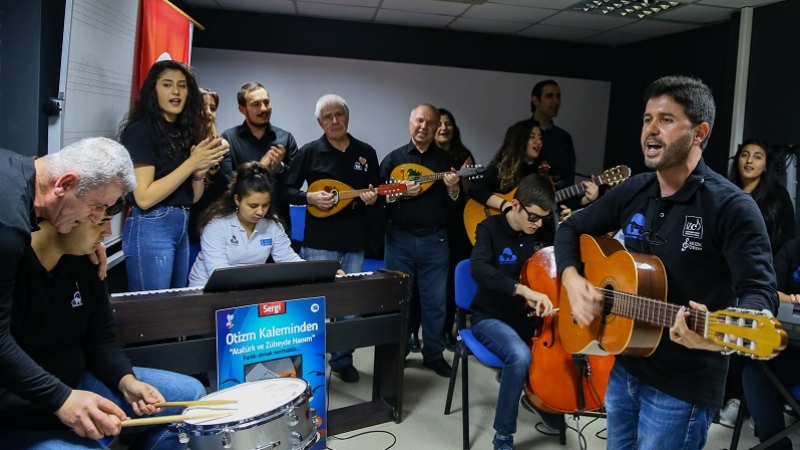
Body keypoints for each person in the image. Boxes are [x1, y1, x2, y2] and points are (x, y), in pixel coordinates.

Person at [554, 75, 778, 450]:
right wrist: (573, 279)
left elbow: (759, 294)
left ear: (699, 132)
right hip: (625, 364)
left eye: (666, 120)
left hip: (683, 387)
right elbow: (571, 227)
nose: (651, 131)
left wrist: (714, 338)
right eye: (646, 119)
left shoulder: (732, 207)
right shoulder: (636, 188)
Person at [0, 200, 206, 449]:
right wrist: (64, 403)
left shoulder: (85, 261)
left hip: (78, 383)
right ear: (67, 219)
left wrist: (126, 380)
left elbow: (100, 340)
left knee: (192, 397)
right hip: (22, 411)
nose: (108, 232)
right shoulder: (10, 269)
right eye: (101, 221)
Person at [0, 137, 137, 446]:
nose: (98, 220)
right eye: (97, 209)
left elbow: (100, 339)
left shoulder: (15, 171)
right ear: (65, 183)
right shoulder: (8, 229)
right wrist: (62, 400)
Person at [283, 94, 381, 383]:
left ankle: (342, 359)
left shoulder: (366, 152)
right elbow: (285, 189)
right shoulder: (310, 152)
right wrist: (308, 196)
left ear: (347, 118)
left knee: (349, 306)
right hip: (319, 242)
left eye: (339, 114)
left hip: (354, 241)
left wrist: (373, 198)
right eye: (328, 116)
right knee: (316, 304)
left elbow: (375, 192)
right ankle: (311, 362)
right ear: (319, 122)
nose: (334, 120)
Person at [120, 60, 230, 291]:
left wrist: (199, 173)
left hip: (182, 221)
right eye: (167, 85)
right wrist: (191, 164)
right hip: (151, 224)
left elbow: (192, 197)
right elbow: (144, 197)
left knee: (173, 305)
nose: (176, 91)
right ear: (154, 90)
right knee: (152, 309)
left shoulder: (183, 131)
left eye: (182, 85)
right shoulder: (141, 131)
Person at [469, 174, 558, 450]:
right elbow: (479, 269)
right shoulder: (489, 228)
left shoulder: (543, 229)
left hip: (530, 319)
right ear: (516, 205)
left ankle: (542, 400)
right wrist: (523, 291)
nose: (538, 224)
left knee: (568, 344)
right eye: (533, 217)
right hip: (490, 317)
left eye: (544, 218)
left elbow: (555, 266)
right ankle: (503, 436)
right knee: (519, 355)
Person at [719, 138, 797, 427]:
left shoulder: (777, 197)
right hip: (722, 274)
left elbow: (787, 242)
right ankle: (727, 397)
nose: (749, 161)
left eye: (758, 157)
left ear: (766, 166)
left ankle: (745, 401)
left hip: (759, 277)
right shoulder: (723, 191)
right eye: (745, 155)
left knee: (747, 326)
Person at [379, 104, 461, 378]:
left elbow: (454, 208)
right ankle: (398, 352)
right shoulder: (393, 159)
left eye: (429, 122)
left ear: (437, 127)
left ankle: (434, 354)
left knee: (435, 302)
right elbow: (379, 199)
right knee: (398, 300)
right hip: (399, 239)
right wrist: (398, 193)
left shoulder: (446, 161)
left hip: (435, 241)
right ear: (410, 123)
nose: (423, 126)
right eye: (419, 120)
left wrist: (452, 189)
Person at [189, 162, 302, 287]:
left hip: (247, 288)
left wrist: (308, 272)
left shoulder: (272, 224)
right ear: (237, 200)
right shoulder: (216, 225)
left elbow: (288, 258)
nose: (260, 212)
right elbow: (218, 270)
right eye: (253, 206)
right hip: (205, 289)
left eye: (265, 205)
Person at [742, 237, 800, 449]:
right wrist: (793, 299)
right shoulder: (792, 249)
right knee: (755, 368)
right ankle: (775, 445)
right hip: (791, 345)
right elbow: (771, 291)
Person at [470, 119, 592, 221]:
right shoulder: (503, 167)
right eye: (532, 137)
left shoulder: (542, 172)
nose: (538, 141)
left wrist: (585, 199)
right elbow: (476, 189)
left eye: (540, 137)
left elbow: (556, 198)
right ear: (520, 141)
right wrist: (504, 205)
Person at [220, 82, 298, 237]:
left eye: (266, 102)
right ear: (242, 109)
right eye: (256, 104)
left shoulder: (285, 138)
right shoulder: (229, 138)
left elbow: (295, 183)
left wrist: (279, 168)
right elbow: (227, 184)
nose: (263, 109)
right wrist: (260, 167)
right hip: (240, 227)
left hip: (279, 224)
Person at [434, 108, 475, 350]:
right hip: (433, 225)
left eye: (448, 123)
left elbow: (471, 192)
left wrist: (463, 178)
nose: (443, 128)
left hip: (458, 225)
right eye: (439, 123)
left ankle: (448, 330)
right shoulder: (426, 155)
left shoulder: (463, 155)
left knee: (451, 281)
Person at [509, 80, 576, 192]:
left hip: (554, 199)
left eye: (558, 97)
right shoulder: (517, 131)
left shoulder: (564, 138)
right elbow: (506, 166)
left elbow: (568, 178)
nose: (555, 101)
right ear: (535, 100)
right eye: (549, 96)